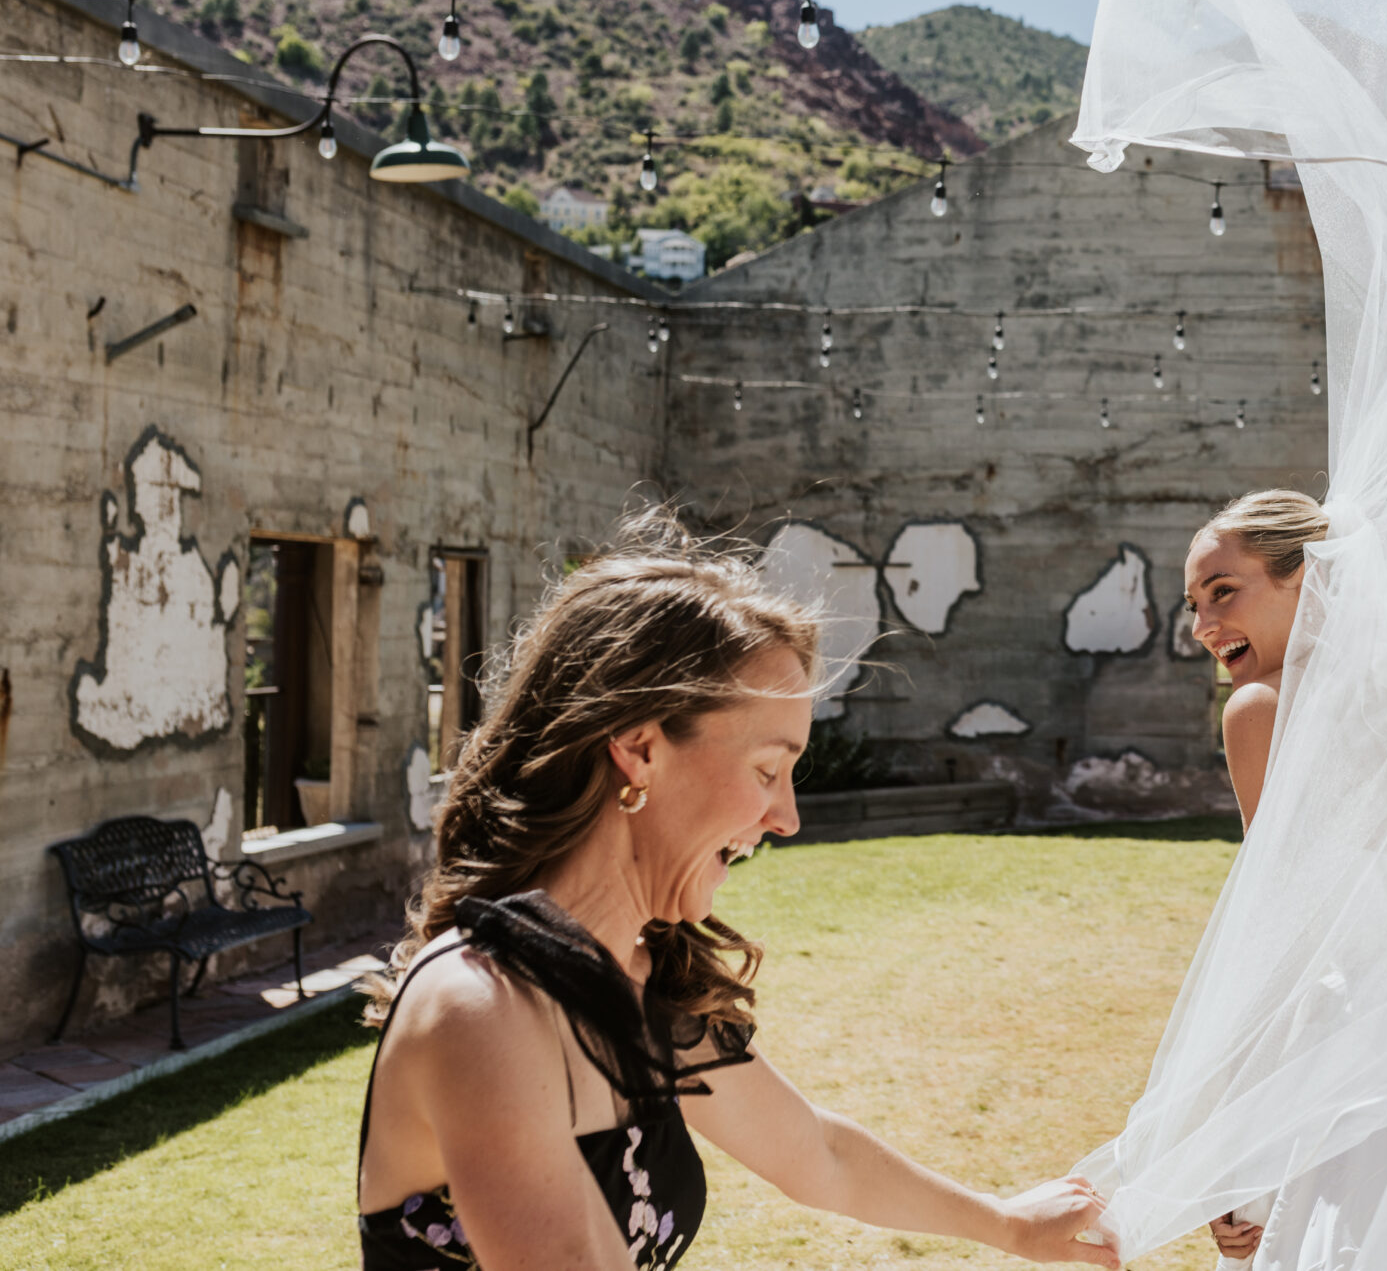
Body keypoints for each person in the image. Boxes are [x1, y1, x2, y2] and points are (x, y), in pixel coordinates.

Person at [355, 511, 1119, 1270]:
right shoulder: (481, 1005)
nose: (785, 817)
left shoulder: (640, 986)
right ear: (640, 747)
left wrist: (1010, 1225)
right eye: (767, 770)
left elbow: (820, 1153)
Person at [1180, 489, 1329, 1262]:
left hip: (1335, 1044)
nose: (1203, 627)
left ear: (1304, 575)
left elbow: (1275, 936)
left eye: (1224, 591)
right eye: (1195, 604)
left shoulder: (1259, 709)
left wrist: (1228, 1141)